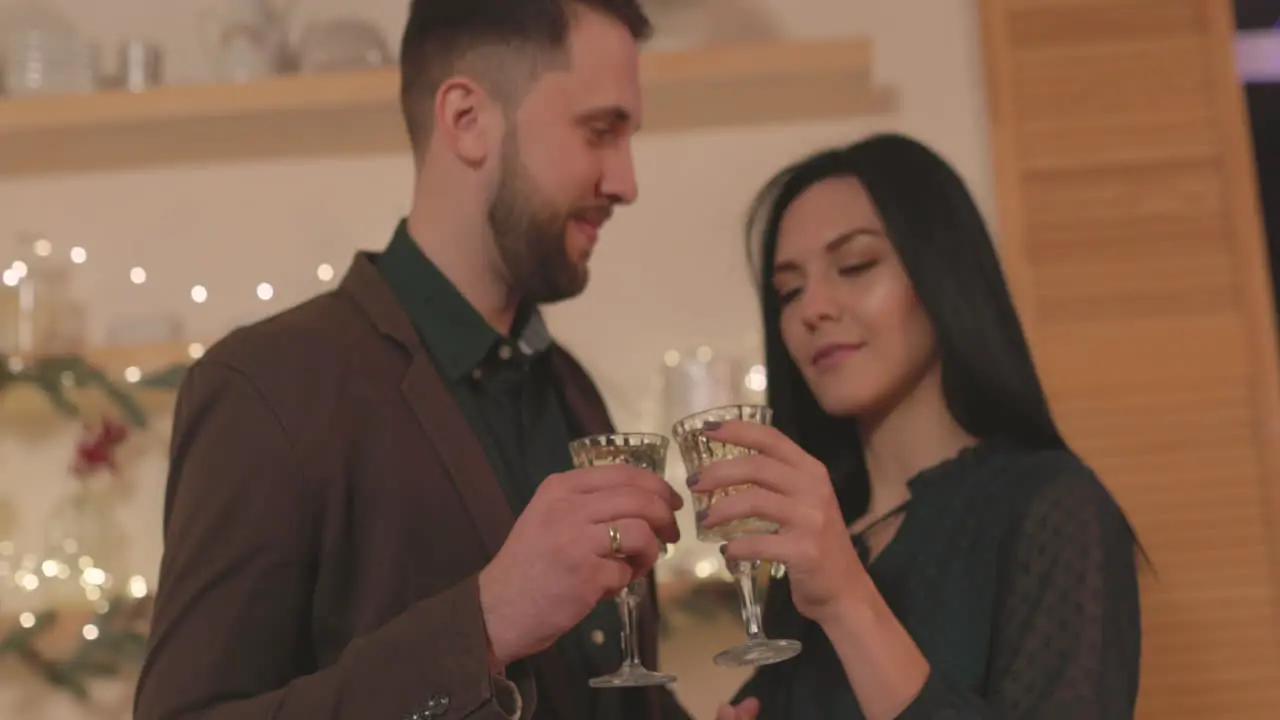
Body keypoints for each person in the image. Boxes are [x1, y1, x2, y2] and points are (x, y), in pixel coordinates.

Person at [132, 2, 693, 719]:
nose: (626, 181)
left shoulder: (570, 388)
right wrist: (481, 628)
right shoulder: (266, 387)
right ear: (466, 118)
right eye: (599, 131)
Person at [698, 134, 1143, 719]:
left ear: (942, 274)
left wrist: (849, 602)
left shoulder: (1052, 505)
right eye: (790, 290)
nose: (813, 309)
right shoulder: (820, 541)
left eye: (854, 266)